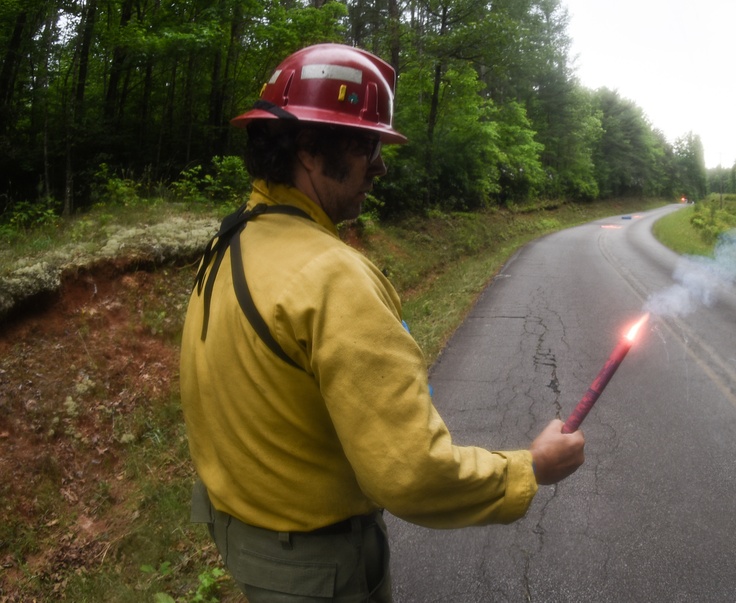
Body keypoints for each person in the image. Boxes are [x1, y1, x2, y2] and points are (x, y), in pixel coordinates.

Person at [179, 43, 585, 602]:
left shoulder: (229, 242)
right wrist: (530, 469)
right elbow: (412, 474)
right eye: (367, 144)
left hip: (244, 543)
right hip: (319, 572)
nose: (381, 165)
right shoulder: (333, 277)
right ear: (309, 148)